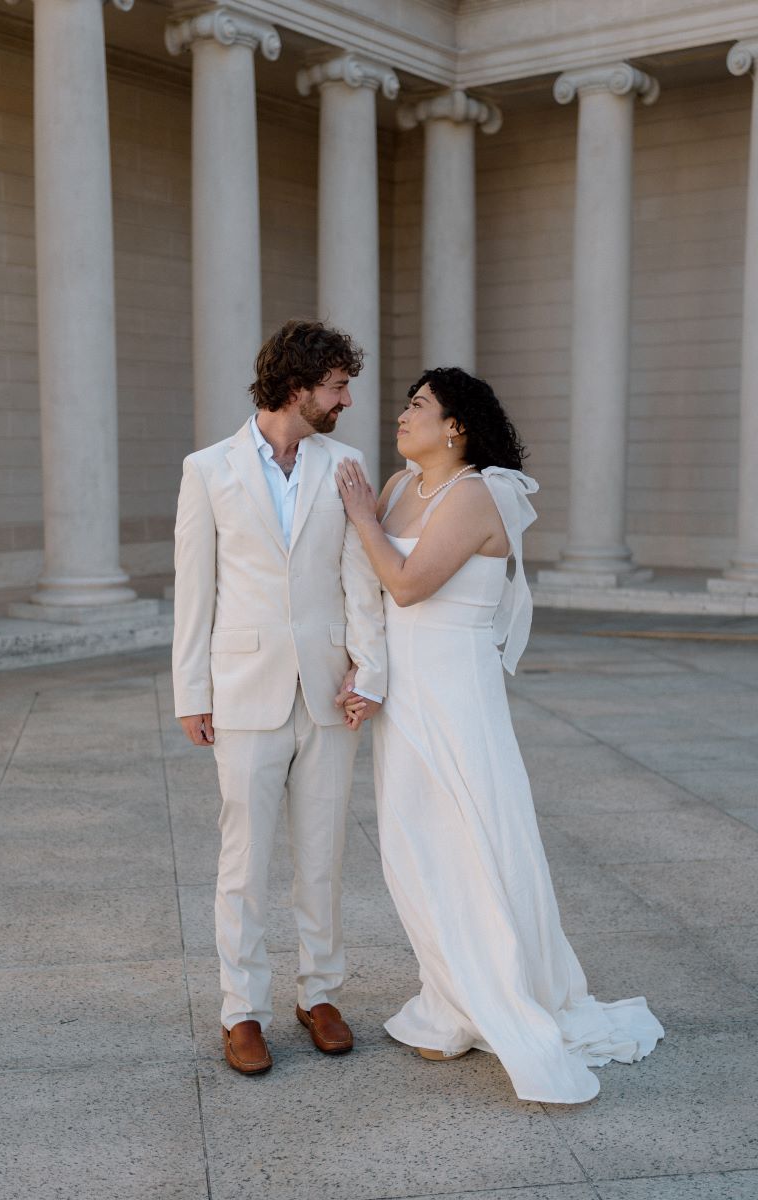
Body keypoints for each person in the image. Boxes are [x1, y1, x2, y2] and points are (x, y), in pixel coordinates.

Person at [335, 366, 663, 1104]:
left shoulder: (475, 494)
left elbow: (410, 584)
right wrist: (365, 672)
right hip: (405, 696)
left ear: (455, 427)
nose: (403, 414)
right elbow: (373, 596)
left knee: (472, 839)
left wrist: (360, 518)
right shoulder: (393, 487)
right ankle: (449, 996)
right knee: (415, 847)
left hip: (456, 695)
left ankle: (498, 991)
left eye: (418, 406)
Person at [172, 319, 387, 1076]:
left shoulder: (346, 463)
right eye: (336, 386)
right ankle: (244, 1010)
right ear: (298, 388)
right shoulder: (208, 470)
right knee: (246, 858)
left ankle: (320, 993)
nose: (347, 399)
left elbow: (360, 577)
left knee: (324, 854)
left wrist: (370, 668)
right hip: (243, 687)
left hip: (331, 689)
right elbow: (194, 591)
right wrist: (190, 691)